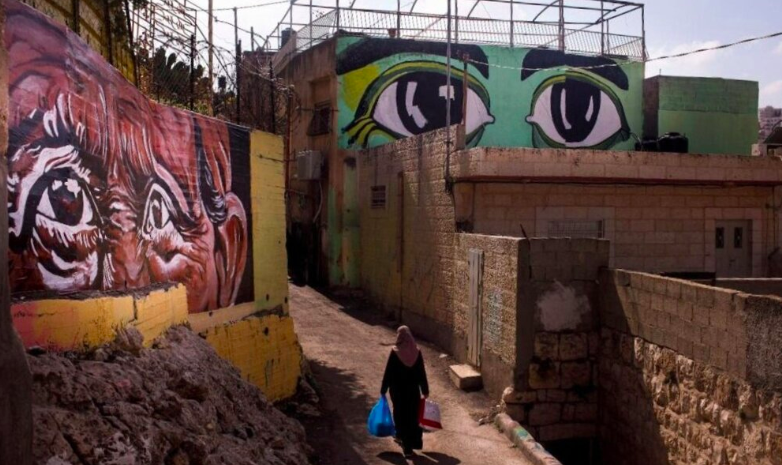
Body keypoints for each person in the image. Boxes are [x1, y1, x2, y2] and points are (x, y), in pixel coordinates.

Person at [381, 326, 429, 457]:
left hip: (397, 390)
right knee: (412, 416)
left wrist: (383, 388)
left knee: (400, 414)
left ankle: (405, 443)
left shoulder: (395, 352)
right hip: (412, 390)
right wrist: (425, 390)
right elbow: (421, 373)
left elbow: (389, 372)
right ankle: (412, 443)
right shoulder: (417, 352)